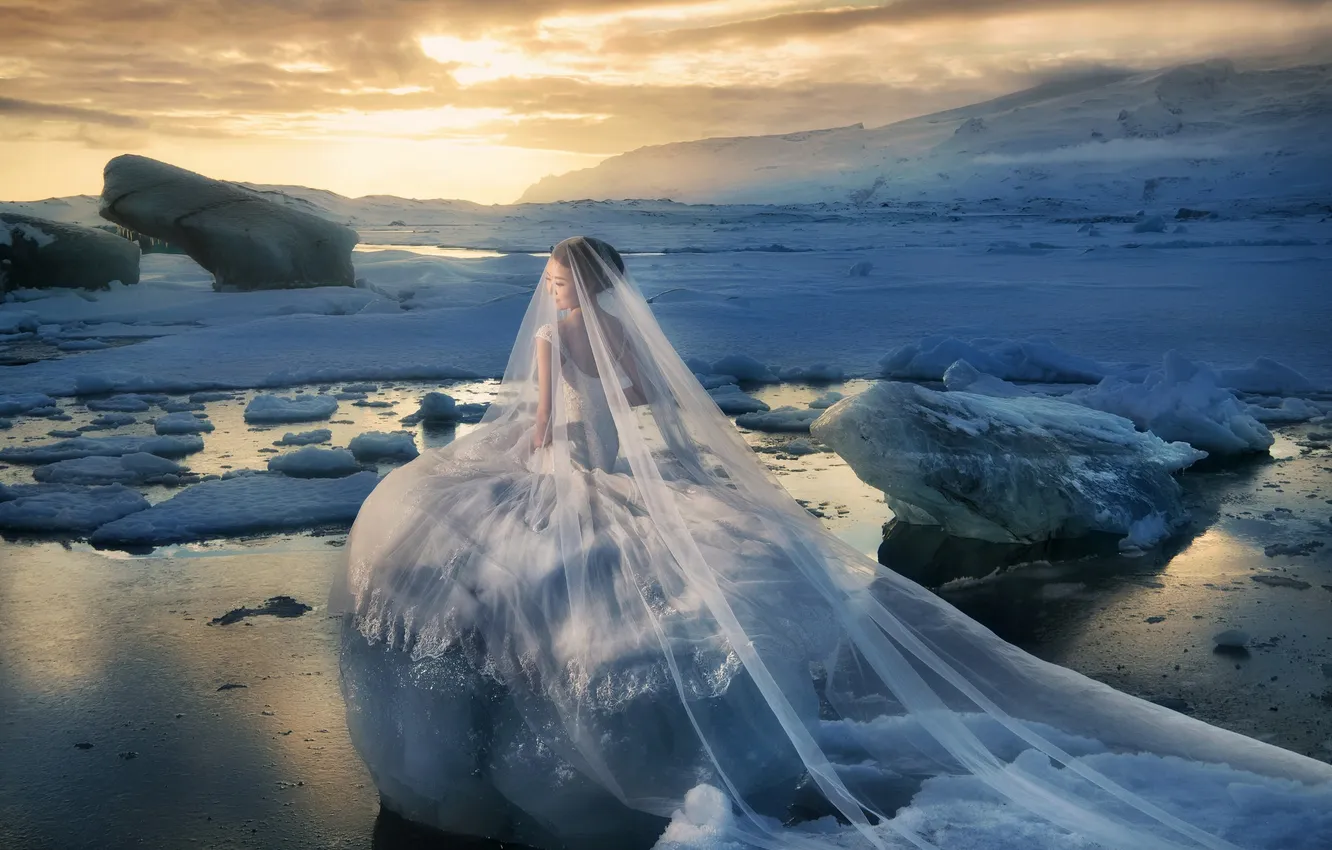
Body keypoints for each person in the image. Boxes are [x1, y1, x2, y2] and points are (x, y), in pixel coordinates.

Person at [331, 236, 1332, 850]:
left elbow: (590, 419)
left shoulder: (576, 338)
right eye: (556, 278)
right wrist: (590, 458)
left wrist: (577, 463)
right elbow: (591, 415)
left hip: (598, 470)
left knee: (606, 583)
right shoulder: (585, 339)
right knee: (586, 574)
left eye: (559, 276)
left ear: (573, 282)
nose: (551, 291)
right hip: (598, 468)